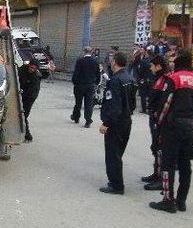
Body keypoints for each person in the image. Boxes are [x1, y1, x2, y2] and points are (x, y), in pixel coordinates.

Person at [149, 52, 193, 213]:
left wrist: (159, 124)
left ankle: (168, 200)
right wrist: (190, 124)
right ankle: (181, 201)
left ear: (178, 64)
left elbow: (166, 104)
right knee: (185, 164)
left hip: (172, 126)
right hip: (189, 127)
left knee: (168, 163)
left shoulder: (174, 79)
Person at [99, 52, 136, 195]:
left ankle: (116, 185)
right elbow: (132, 103)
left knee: (112, 154)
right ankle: (115, 181)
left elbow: (114, 105)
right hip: (126, 120)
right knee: (118, 152)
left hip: (116, 122)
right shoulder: (130, 78)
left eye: (111, 60)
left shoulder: (115, 80)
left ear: (115, 62)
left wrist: (106, 123)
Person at [141, 56, 170, 191]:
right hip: (154, 117)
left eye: (152, 66)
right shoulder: (158, 79)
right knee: (155, 146)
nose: (151, 68)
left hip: (160, 119)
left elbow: (163, 100)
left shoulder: (166, 80)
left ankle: (160, 179)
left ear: (158, 66)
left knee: (159, 148)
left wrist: (158, 116)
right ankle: (156, 173)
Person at [19, 60, 54, 142]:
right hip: (21, 93)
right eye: (31, 67)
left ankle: (28, 136)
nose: (32, 69)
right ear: (29, 65)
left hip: (30, 97)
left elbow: (32, 91)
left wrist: (22, 93)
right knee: (21, 115)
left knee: (24, 115)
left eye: (34, 68)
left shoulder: (36, 76)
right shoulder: (22, 69)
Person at [71, 46, 100, 128]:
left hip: (80, 85)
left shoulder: (80, 61)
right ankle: (88, 121)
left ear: (84, 52)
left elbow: (76, 73)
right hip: (90, 85)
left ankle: (76, 117)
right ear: (91, 52)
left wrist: (74, 82)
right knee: (89, 103)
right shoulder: (95, 61)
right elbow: (98, 73)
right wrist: (96, 83)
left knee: (78, 102)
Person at [137, 47, 153, 114]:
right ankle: (150, 109)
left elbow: (140, 71)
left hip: (144, 79)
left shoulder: (143, 61)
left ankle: (144, 109)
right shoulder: (153, 60)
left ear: (147, 53)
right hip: (151, 79)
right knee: (150, 95)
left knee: (143, 95)